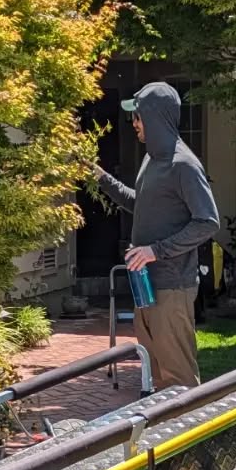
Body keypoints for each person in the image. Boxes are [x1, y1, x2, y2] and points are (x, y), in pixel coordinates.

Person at [93, 82, 220, 389]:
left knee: (179, 379)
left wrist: (155, 251)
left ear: (155, 117)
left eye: (137, 116)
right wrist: (100, 178)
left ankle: (191, 435)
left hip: (172, 287)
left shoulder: (184, 166)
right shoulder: (152, 160)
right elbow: (143, 205)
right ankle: (167, 435)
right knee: (158, 376)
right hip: (146, 286)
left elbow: (208, 221)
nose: (134, 123)